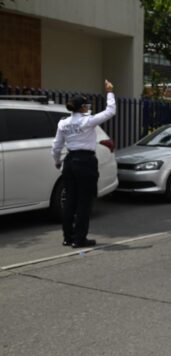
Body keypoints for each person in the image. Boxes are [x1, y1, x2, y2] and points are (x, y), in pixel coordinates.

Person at [52, 80, 116, 248]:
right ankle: (80, 239)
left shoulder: (63, 123)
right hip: (86, 162)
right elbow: (111, 111)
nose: (88, 107)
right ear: (81, 108)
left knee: (70, 201)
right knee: (84, 202)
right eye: (86, 105)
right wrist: (109, 91)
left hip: (70, 161)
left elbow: (56, 146)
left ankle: (68, 237)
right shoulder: (87, 121)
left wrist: (57, 161)